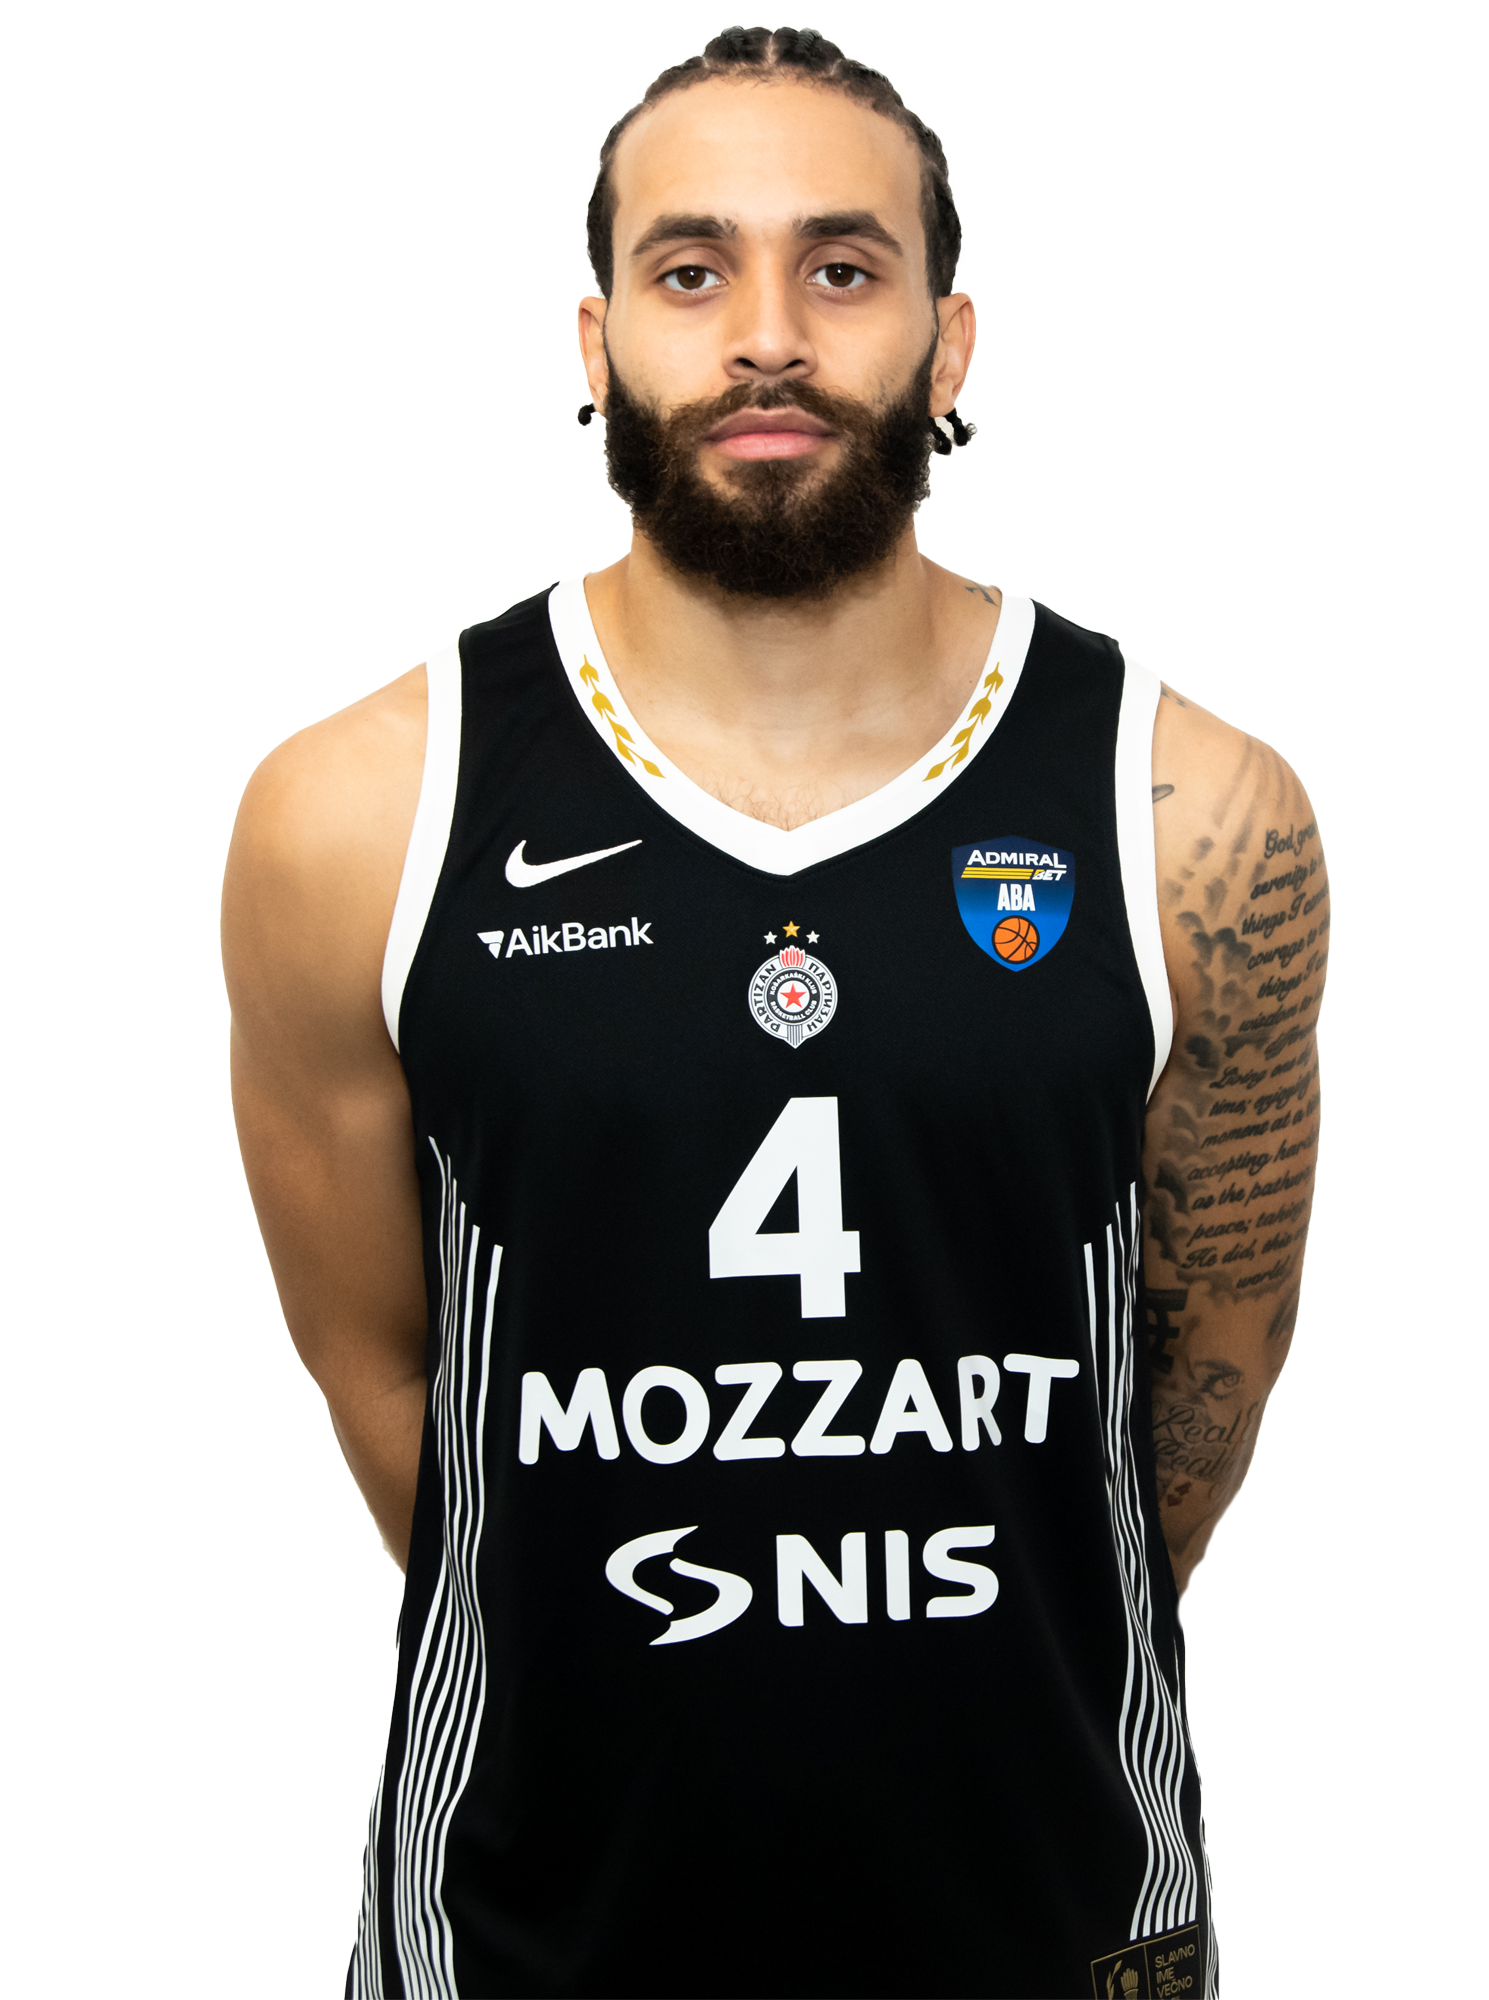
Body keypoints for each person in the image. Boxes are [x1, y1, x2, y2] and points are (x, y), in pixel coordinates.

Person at [223, 24, 1324, 1999]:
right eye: (689, 269)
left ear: (946, 343)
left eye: (840, 266)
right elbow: (389, 1384)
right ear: (597, 343)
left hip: (1053, 1927)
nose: (765, 336)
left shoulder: (1190, 815)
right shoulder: (363, 814)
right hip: (531, 1938)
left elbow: (1196, 1399)